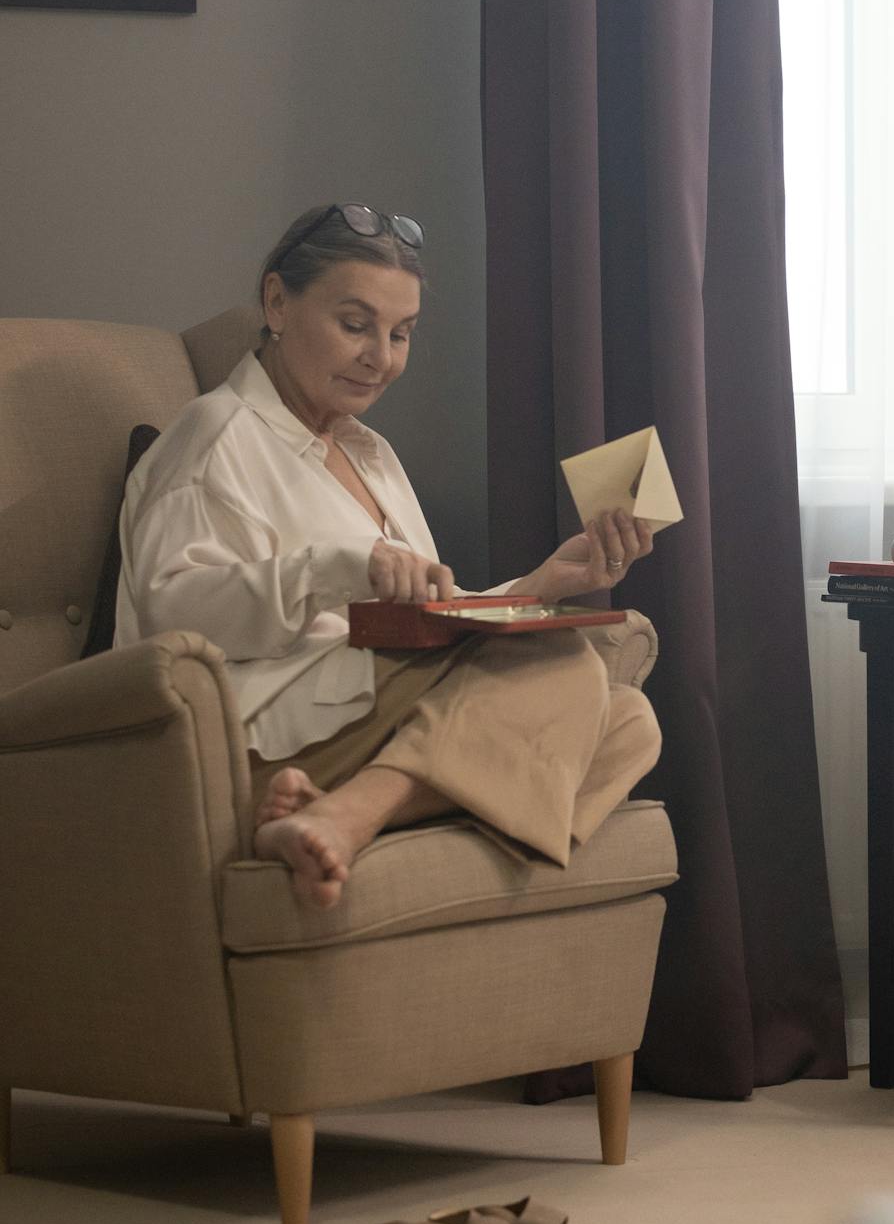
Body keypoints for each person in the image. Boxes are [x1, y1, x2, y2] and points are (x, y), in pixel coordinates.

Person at [116, 203, 661, 912]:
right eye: (355, 324)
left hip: (377, 708)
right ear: (277, 302)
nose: (381, 356)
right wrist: (341, 566)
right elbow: (173, 613)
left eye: (400, 334)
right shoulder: (217, 435)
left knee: (627, 724)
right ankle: (362, 809)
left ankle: (339, 813)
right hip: (274, 734)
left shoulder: (370, 454)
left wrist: (543, 582)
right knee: (566, 674)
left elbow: (428, 611)